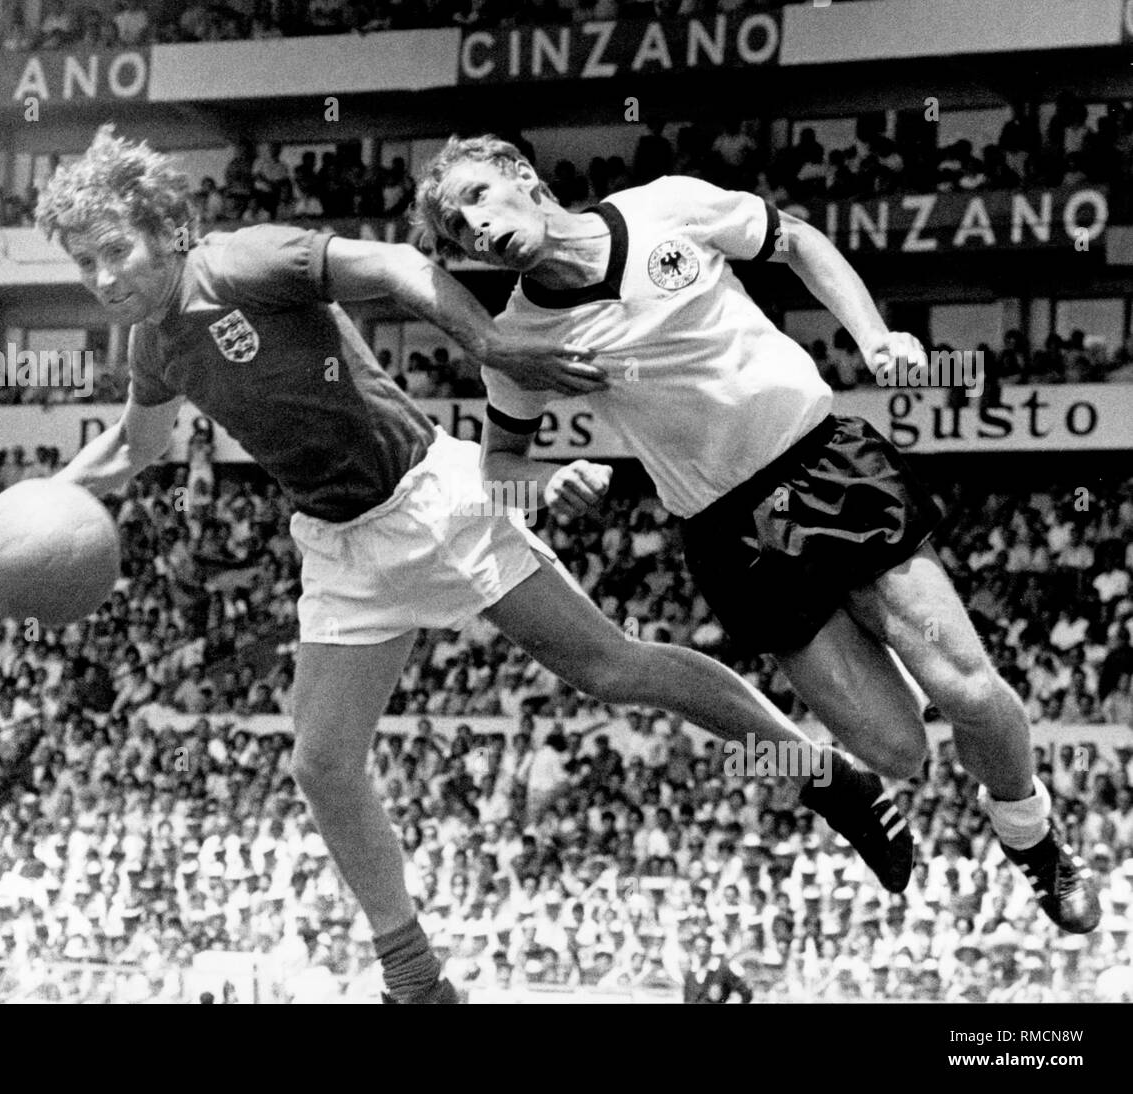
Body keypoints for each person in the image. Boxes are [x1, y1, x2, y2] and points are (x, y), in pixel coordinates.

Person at [0, 126, 909, 1005]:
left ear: (165, 229)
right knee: (323, 763)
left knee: (613, 670)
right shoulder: (152, 343)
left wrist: (493, 341)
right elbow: (133, 446)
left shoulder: (243, 262)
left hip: (434, 499)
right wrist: (27, 499)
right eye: (84, 265)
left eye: (114, 251)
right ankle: (414, 979)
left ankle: (824, 775)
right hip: (338, 543)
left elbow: (405, 265)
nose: (102, 277)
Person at [412, 133, 1100, 934]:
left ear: (523, 179)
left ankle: (1036, 841)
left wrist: (875, 337)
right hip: (730, 535)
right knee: (898, 753)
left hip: (826, 469)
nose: (476, 230)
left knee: (968, 691)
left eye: (477, 199)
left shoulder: (666, 206)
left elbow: (798, 240)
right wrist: (548, 480)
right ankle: (845, 778)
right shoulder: (520, 340)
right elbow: (500, 467)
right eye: (458, 234)